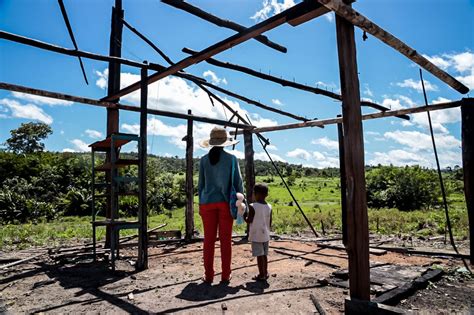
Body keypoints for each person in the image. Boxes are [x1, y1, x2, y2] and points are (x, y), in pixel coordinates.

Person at [198, 126, 243, 284]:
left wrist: (200, 205)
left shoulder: (204, 160)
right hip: (226, 204)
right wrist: (240, 204)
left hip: (207, 203)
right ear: (225, 142)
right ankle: (225, 275)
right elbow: (238, 183)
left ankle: (209, 275)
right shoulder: (231, 159)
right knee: (226, 240)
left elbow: (201, 185)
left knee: (208, 241)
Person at [245, 183, 272, 281]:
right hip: (266, 235)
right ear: (266, 195)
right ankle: (265, 272)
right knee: (264, 255)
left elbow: (249, 220)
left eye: (254, 193)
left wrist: (244, 216)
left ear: (256, 194)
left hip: (257, 235)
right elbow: (270, 222)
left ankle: (261, 275)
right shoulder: (269, 206)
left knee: (259, 256)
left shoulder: (253, 206)